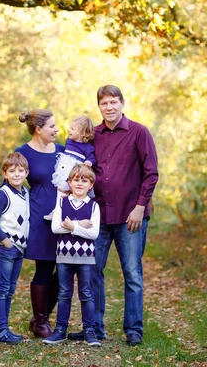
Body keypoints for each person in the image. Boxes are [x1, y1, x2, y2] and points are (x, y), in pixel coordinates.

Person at [67, 85, 159, 346]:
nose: (109, 107)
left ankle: (133, 329)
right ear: (99, 106)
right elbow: (74, 161)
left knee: (132, 273)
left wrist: (140, 206)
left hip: (131, 216)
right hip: (98, 215)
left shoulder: (139, 133)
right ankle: (95, 327)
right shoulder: (93, 135)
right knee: (93, 271)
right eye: (104, 103)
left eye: (113, 102)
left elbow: (151, 173)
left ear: (122, 103)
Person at [0, 109, 63, 338]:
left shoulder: (62, 151)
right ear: (38, 129)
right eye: (52, 126)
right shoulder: (23, 152)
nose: (57, 129)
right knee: (44, 268)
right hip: (38, 217)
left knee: (64, 270)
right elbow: (7, 182)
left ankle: (41, 316)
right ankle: (40, 322)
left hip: (63, 216)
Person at [42, 164, 101, 347]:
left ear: (91, 184)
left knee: (86, 294)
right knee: (64, 294)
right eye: (76, 179)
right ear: (69, 182)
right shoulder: (62, 202)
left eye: (84, 180)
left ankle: (90, 331)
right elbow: (55, 227)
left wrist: (72, 227)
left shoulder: (93, 206)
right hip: (64, 256)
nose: (80, 183)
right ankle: (60, 330)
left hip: (86, 257)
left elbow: (94, 234)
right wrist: (81, 224)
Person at [0, 152, 30, 344]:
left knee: (10, 290)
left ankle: (4, 329)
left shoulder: (25, 193)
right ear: (5, 173)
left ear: (27, 172)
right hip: (5, 248)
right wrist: (5, 240)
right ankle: (1, 331)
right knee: (2, 290)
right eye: (12, 171)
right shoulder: (4, 194)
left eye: (21, 171)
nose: (17, 174)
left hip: (19, 249)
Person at [44, 115, 96, 221]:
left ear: (82, 133)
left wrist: (89, 162)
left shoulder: (88, 147)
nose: (69, 130)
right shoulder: (69, 141)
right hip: (64, 168)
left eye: (72, 129)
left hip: (75, 171)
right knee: (61, 189)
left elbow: (92, 158)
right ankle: (57, 210)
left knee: (72, 193)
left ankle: (70, 213)